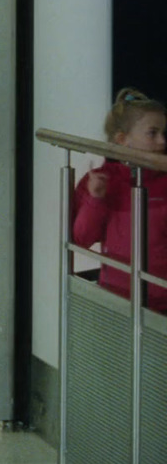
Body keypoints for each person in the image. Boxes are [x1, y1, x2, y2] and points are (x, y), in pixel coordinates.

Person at [72, 87, 167, 312]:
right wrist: (96, 200)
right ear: (123, 140)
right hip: (117, 299)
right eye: (152, 133)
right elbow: (81, 238)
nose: (162, 141)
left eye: (164, 133)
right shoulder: (101, 179)